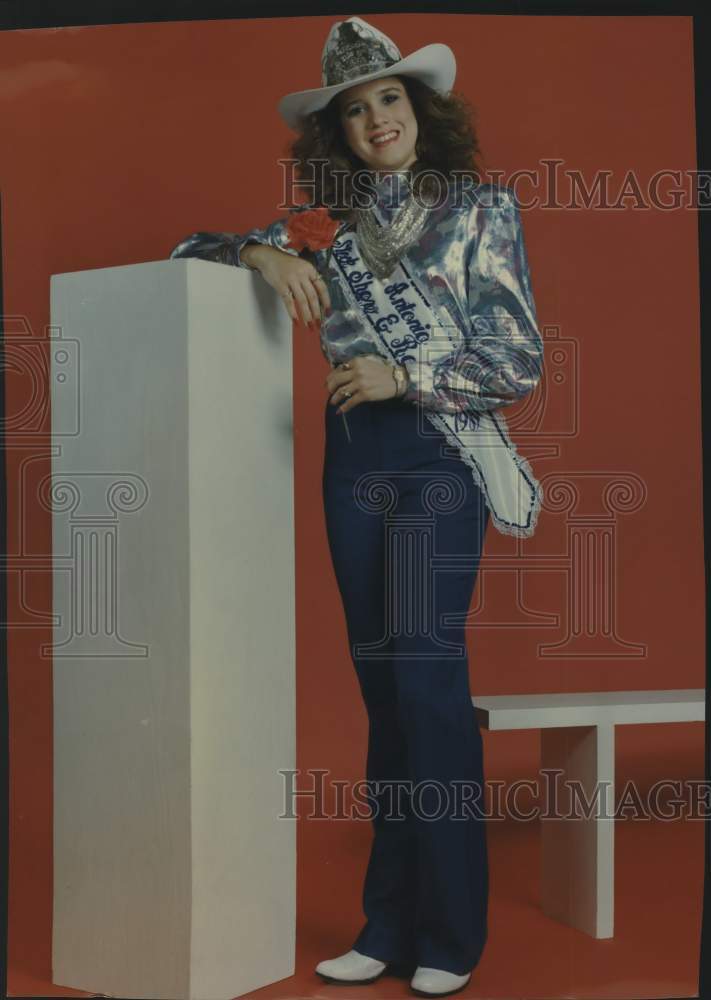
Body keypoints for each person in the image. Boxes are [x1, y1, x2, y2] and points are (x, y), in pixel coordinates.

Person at [170, 15, 544, 998]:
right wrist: (260, 258)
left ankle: (452, 934)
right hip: (351, 464)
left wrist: (403, 370)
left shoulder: (478, 209)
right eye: (354, 108)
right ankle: (386, 923)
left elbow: (517, 360)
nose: (376, 118)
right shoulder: (324, 226)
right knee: (383, 698)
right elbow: (184, 250)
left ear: (419, 108)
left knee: (425, 682)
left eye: (389, 98)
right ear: (334, 133)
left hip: (433, 458)